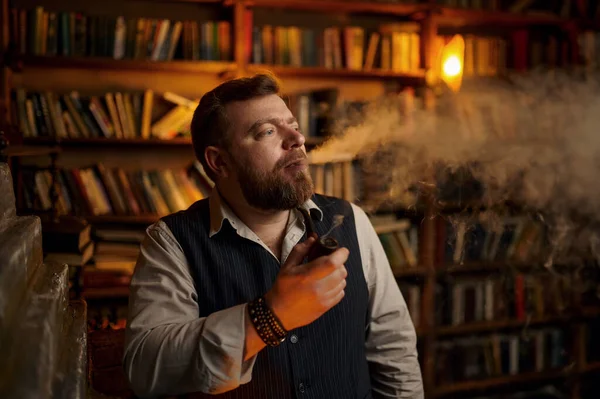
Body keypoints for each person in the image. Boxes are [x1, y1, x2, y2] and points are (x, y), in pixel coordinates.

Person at [123, 74, 423, 398]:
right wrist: (267, 316)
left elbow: (395, 353)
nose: (297, 138)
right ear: (219, 161)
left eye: (292, 125)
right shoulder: (170, 242)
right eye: (267, 131)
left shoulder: (351, 220)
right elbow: (145, 368)